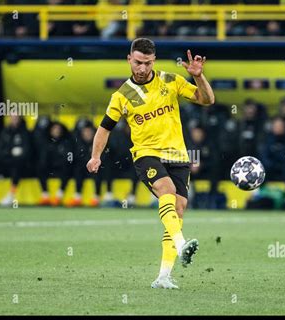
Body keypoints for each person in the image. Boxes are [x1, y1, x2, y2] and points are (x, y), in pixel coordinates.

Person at [86, 38, 215, 289]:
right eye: (137, 62)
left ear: (153, 61)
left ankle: (163, 277)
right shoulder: (121, 96)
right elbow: (104, 129)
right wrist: (95, 156)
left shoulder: (170, 81)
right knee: (166, 191)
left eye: (146, 63)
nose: (142, 68)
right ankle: (181, 245)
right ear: (129, 59)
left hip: (177, 155)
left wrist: (198, 77)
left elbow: (206, 99)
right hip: (146, 154)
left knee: (178, 208)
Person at [38, 122, 75, 206]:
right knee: (40, 167)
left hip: (62, 167)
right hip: (50, 168)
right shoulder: (46, 141)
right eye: (54, 129)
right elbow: (44, 157)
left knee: (68, 167)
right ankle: (45, 195)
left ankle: (59, 195)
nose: (56, 131)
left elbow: (69, 157)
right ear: (51, 131)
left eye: (58, 129)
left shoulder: (66, 142)